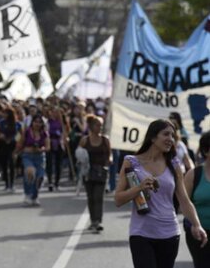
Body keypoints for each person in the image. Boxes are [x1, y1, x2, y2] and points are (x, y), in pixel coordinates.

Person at [114, 119, 207, 268]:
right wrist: (139, 188)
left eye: (172, 135)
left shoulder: (174, 164)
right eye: (166, 134)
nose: (170, 139)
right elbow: (118, 199)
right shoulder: (131, 162)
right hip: (141, 233)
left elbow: (184, 199)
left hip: (169, 233)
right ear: (152, 137)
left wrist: (197, 225)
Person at [79, 114, 111, 232]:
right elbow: (79, 153)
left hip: (101, 171)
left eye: (101, 126)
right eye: (98, 125)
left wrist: (109, 161)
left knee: (98, 197)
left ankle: (97, 221)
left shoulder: (105, 140)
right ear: (91, 126)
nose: (100, 128)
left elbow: (110, 154)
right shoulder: (85, 140)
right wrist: (80, 160)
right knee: (91, 197)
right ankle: (93, 220)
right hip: (88, 172)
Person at [183, 131, 210, 268]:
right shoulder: (194, 174)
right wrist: (194, 224)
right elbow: (185, 203)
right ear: (206, 151)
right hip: (199, 233)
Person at [17, 114, 50, 206]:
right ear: (32, 122)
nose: (37, 124)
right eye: (36, 122)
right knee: (30, 173)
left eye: (40, 122)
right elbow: (20, 143)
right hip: (28, 156)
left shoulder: (44, 133)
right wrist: (17, 151)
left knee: (39, 178)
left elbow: (48, 147)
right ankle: (27, 194)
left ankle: (34, 196)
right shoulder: (27, 131)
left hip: (39, 157)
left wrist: (41, 149)